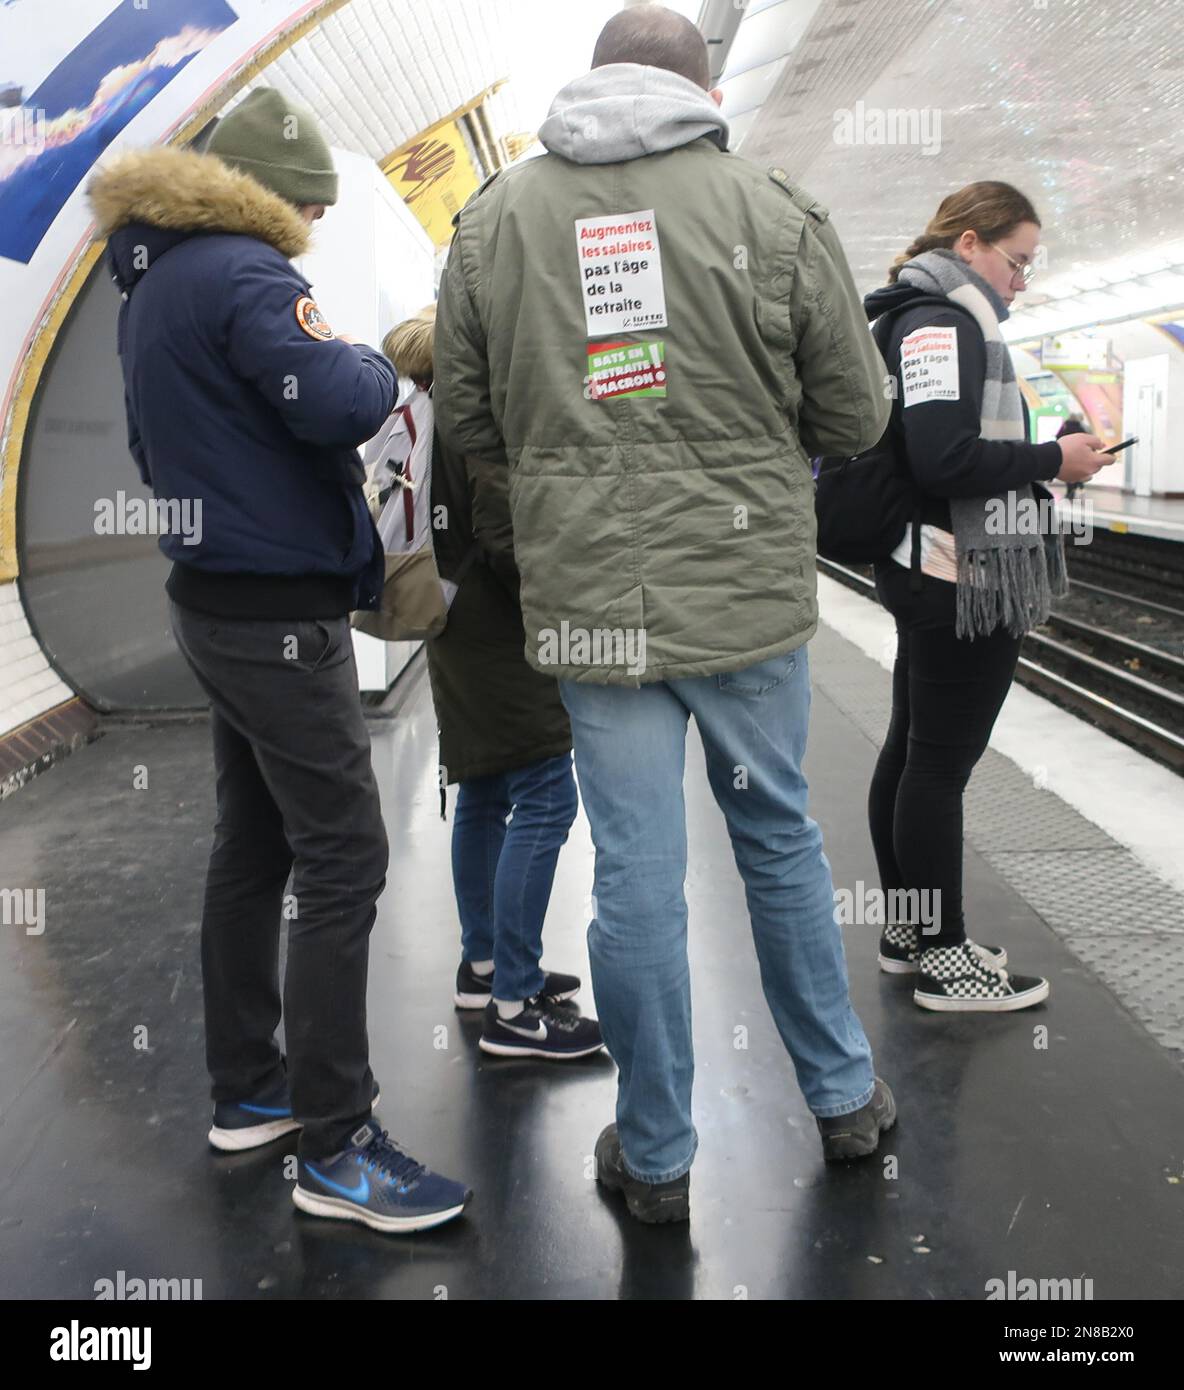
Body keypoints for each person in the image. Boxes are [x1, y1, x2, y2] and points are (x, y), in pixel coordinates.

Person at [434, 4, 896, 1225]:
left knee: (634, 874)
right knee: (778, 841)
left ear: (592, 81)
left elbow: (471, 425)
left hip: (592, 606)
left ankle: (653, 1159)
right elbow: (854, 423)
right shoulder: (771, 209)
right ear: (704, 95)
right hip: (743, 603)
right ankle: (845, 1101)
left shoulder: (493, 222)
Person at [88, 89, 471, 1235]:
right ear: (266, 193)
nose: (311, 218)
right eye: (309, 201)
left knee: (251, 845)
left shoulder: (152, 282)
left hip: (214, 602)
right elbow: (346, 398)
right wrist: (356, 346)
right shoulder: (245, 276)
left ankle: (250, 1089)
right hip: (277, 619)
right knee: (344, 857)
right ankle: (338, 1145)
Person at [864, 181, 1116, 1012]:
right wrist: (1054, 461)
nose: (1021, 281)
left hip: (932, 566)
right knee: (936, 769)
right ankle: (946, 958)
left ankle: (909, 933)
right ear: (968, 244)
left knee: (912, 752)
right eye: (1017, 261)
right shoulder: (942, 324)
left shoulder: (921, 317)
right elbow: (945, 460)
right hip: (956, 574)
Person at [376, 307, 603, 1060]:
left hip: (448, 615)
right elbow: (510, 539)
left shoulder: (418, 413)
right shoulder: (474, 421)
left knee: (483, 790)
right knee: (545, 792)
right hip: (497, 626)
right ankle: (515, 1000)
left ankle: (483, 967)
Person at [1057, 416, 1088, 500]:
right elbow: (1087, 439)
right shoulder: (1080, 428)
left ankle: (1070, 491)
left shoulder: (1065, 427)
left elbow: (1058, 436)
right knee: (1078, 471)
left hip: (1066, 454)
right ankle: (1079, 486)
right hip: (1079, 455)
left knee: (1069, 472)